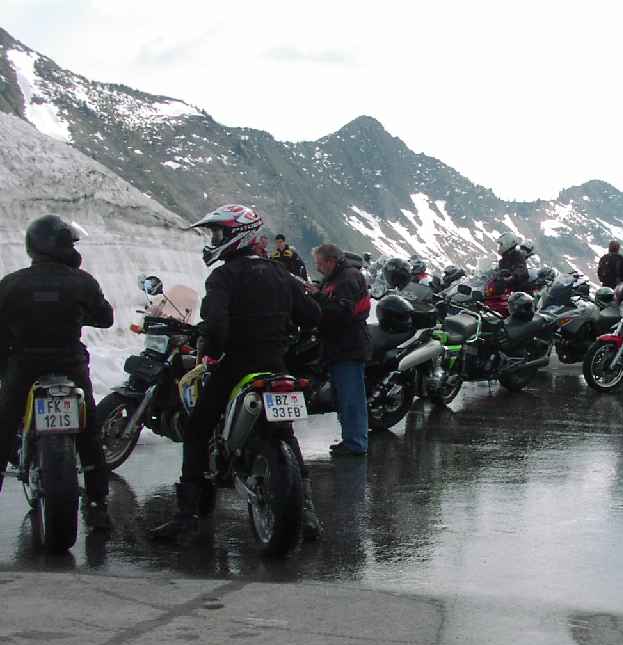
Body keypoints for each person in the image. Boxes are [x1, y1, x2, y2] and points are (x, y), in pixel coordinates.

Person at [150, 204, 323, 542]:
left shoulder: (224, 276)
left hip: (237, 364)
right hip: (276, 365)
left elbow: (216, 325)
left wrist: (212, 352)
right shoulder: (280, 273)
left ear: (238, 235)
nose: (214, 240)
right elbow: (312, 315)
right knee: (285, 433)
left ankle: (187, 515)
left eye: (219, 234)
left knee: (197, 428)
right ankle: (306, 511)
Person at [0, 215, 113, 530]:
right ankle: (97, 504)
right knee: (89, 434)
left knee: (4, 428)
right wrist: (77, 313)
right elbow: (105, 318)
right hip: (69, 363)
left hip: (24, 364)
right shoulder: (82, 281)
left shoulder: (11, 283)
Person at [312, 244, 371, 457]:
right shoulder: (335, 277)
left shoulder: (347, 278)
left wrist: (318, 297)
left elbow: (341, 312)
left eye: (319, 263)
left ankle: (356, 443)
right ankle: (350, 439)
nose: (318, 268)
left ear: (330, 261)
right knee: (343, 397)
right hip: (337, 346)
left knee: (351, 398)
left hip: (348, 347)